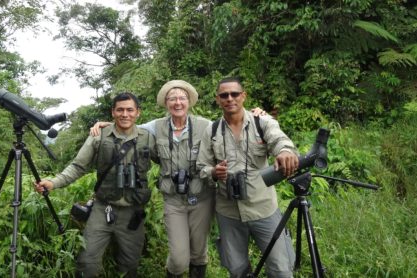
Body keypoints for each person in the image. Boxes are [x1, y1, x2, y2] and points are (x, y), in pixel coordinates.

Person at [90, 80, 267, 278]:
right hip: (173, 199)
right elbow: (129, 125)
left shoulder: (205, 126)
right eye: (172, 98)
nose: (177, 102)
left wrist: (256, 115)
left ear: (189, 102)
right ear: (166, 103)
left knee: (199, 252)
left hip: (202, 196)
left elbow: (231, 123)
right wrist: (105, 125)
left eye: (182, 98)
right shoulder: (155, 127)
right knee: (178, 258)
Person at [35, 92, 158, 278]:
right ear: (113, 112)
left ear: (138, 112)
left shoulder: (148, 138)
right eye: (120, 110)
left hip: (133, 211)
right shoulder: (98, 136)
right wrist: (53, 182)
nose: (125, 114)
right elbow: (78, 166)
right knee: (87, 262)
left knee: (130, 265)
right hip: (103, 208)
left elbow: (168, 162)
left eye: (130, 110)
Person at [196, 77, 298, 278]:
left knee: (281, 268)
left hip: (263, 208)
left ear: (244, 96)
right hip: (228, 211)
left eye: (234, 94)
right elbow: (201, 166)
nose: (230, 98)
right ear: (218, 99)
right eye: (224, 95)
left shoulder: (262, 122)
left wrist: (285, 151)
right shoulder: (213, 130)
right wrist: (214, 173)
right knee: (237, 269)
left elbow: (279, 140)